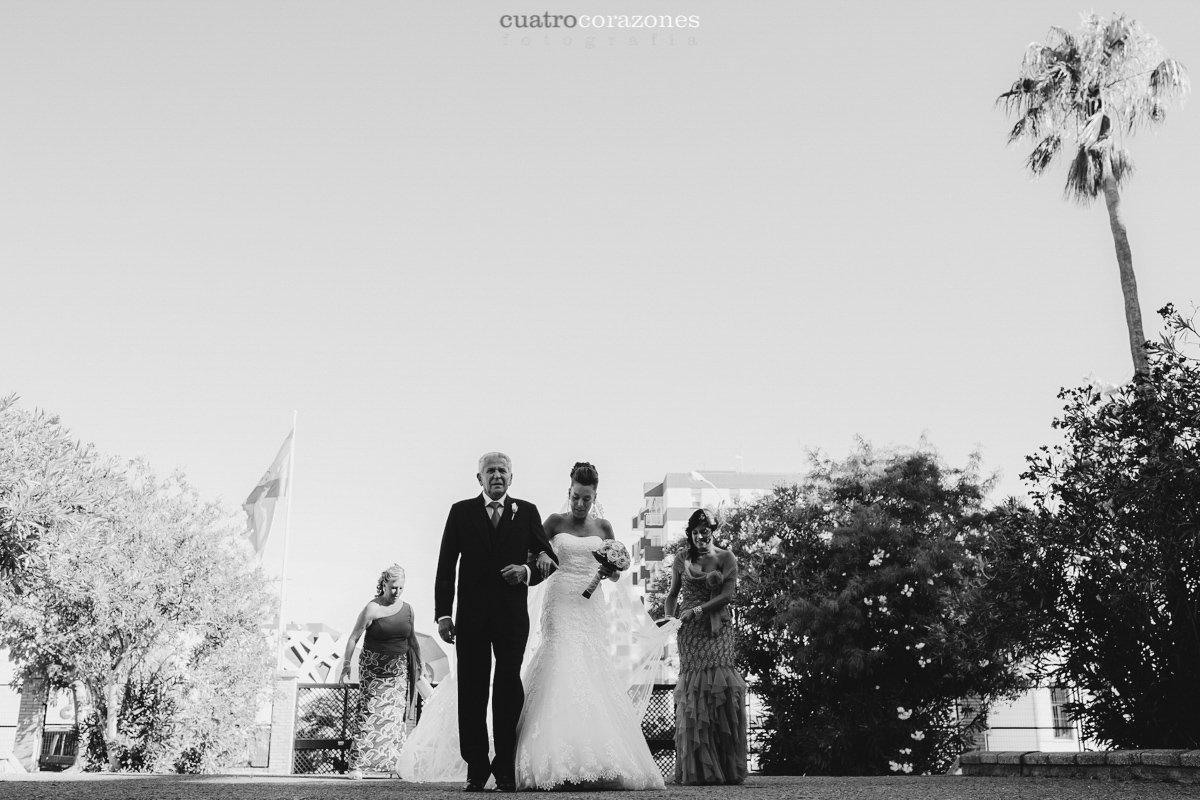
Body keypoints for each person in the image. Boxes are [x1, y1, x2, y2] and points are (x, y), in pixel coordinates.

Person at [513, 461, 675, 790]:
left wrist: (608, 569)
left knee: (589, 663)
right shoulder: (554, 522)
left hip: (591, 606)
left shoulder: (604, 527)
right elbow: (532, 553)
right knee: (561, 658)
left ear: (594, 496)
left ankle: (600, 758)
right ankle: (553, 756)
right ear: (568, 491)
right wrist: (540, 560)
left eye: (586, 498)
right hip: (559, 600)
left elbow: (617, 573)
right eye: (575, 496)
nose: (580, 504)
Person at [434, 451, 558, 792]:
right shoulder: (460, 512)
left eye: (503, 470)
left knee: (507, 689)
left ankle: (504, 766)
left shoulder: (528, 511)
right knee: (472, 690)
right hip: (470, 618)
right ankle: (476, 767)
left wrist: (528, 570)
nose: (497, 475)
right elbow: (446, 566)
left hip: (511, 617)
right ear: (479, 478)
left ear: (511, 478)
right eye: (490, 471)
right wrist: (443, 613)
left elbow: (551, 560)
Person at [664, 508, 748, 785]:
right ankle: (699, 769)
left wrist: (698, 610)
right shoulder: (682, 558)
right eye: (695, 532)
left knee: (721, 689)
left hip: (718, 628)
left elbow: (727, 594)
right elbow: (673, 594)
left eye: (705, 531)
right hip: (689, 631)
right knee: (694, 692)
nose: (700, 536)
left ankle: (724, 765)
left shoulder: (726, 557)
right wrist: (669, 619)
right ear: (690, 533)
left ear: (713, 531)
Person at [340, 563, 421, 780]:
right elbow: (353, 637)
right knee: (369, 713)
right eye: (393, 587)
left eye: (401, 588)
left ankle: (394, 764)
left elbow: (411, 640)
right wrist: (346, 664)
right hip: (374, 669)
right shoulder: (372, 608)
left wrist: (419, 665)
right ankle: (356, 765)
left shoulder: (408, 609)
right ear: (384, 584)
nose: (397, 592)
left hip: (398, 670)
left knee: (394, 717)